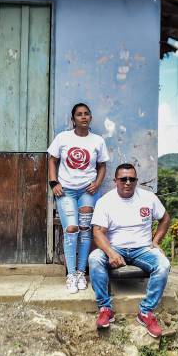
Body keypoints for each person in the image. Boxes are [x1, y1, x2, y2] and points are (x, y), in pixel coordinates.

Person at [89, 163, 171, 338]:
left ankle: (146, 312)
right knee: (95, 258)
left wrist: (156, 241)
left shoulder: (148, 198)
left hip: (142, 249)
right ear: (115, 181)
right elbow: (97, 232)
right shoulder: (105, 201)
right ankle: (105, 308)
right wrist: (111, 253)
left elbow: (165, 218)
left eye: (131, 179)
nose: (127, 182)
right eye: (123, 179)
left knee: (163, 264)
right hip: (115, 248)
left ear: (136, 181)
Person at [48, 103, 110, 293]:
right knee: (71, 229)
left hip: (88, 192)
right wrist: (53, 182)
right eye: (79, 114)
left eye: (86, 114)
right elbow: (52, 159)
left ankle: (82, 273)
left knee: (85, 231)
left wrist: (98, 183)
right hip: (66, 190)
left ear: (90, 117)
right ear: (73, 119)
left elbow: (102, 165)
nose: (83, 117)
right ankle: (71, 275)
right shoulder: (63, 138)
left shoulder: (97, 141)